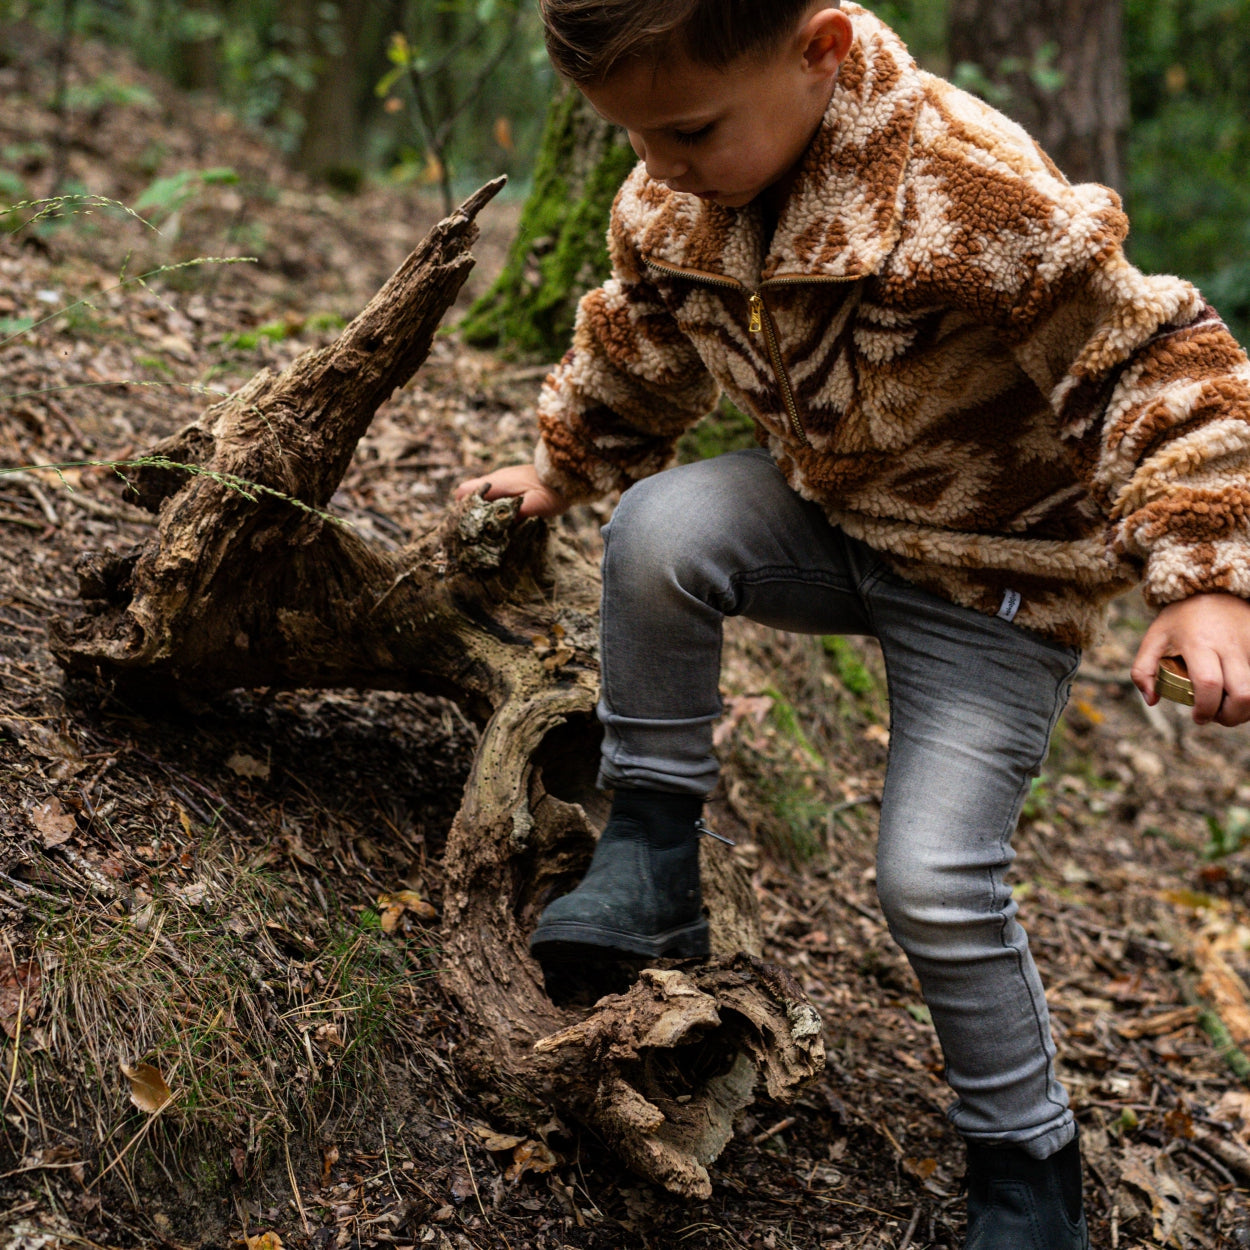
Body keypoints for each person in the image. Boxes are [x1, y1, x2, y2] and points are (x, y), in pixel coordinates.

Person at [455, 2, 1250, 1245]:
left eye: (687, 129)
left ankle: (1026, 1162)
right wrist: (567, 460)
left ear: (817, 51)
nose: (656, 165)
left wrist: (1202, 572)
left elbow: (1150, 356)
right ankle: (652, 856)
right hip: (838, 521)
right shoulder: (676, 192)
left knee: (932, 880)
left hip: (996, 571)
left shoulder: (962, 186)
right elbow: (639, 333)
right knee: (658, 532)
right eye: (632, 138)